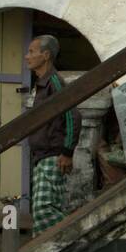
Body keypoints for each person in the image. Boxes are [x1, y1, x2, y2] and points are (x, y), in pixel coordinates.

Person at [25, 35, 81, 234]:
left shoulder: (54, 82)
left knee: (43, 210)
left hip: (53, 157)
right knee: (42, 213)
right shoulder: (42, 84)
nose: (27, 56)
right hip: (42, 157)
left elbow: (72, 115)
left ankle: (79, 234)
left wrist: (67, 152)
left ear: (46, 55)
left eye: (32, 52)